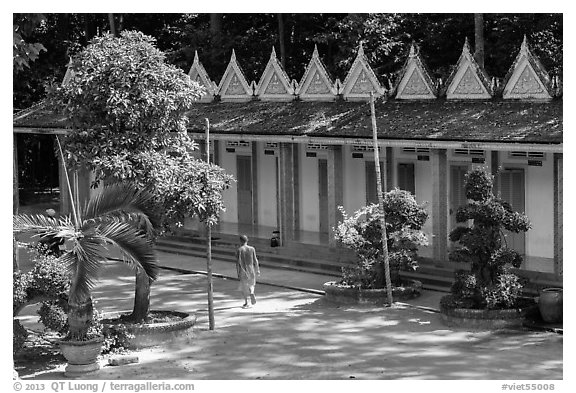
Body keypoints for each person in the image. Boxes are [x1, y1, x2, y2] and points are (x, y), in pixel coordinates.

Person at [236, 235, 260, 308]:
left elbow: (238, 262)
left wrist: (238, 272)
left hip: (243, 269)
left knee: (244, 287)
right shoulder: (252, 249)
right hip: (251, 268)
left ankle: (246, 302)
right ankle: (252, 292)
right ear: (247, 240)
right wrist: (257, 269)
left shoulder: (240, 250)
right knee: (251, 284)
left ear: (240, 241)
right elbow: (255, 260)